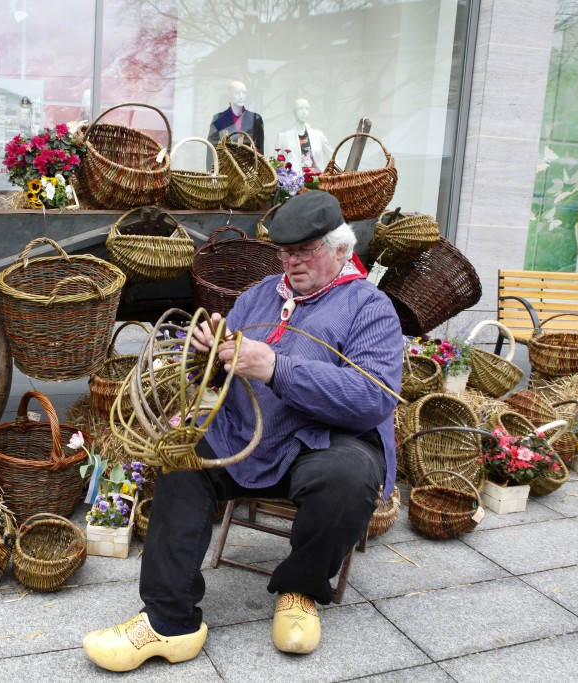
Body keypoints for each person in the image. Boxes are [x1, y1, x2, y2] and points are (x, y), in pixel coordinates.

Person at [82, 191, 402, 672]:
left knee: (348, 477)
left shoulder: (369, 307)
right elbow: (223, 370)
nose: (292, 262)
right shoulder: (258, 295)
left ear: (341, 248)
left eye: (306, 251)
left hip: (325, 440)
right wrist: (209, 357)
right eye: (286, 252)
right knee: (181, 457)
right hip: (246, 432)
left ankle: (299, 589)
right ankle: (169, 621)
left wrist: (274, 367)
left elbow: (371, 397)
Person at [208, 80, 265, 154]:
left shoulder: (255, 119)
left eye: (244, 93)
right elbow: (211, 150)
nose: (241, 96)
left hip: (249, 160)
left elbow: (260, 149)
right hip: (226, 160)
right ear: (230, 95)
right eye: (237, 93)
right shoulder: (218, 119)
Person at [277, 98, 332, 172]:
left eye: (307, 108)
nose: (304, 112)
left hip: (316, 177)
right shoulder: (283, 137)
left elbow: (332, 155)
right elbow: (276, 165)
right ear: (294, 111)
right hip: (294, 177)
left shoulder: (318, 135)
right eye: (300, 108)